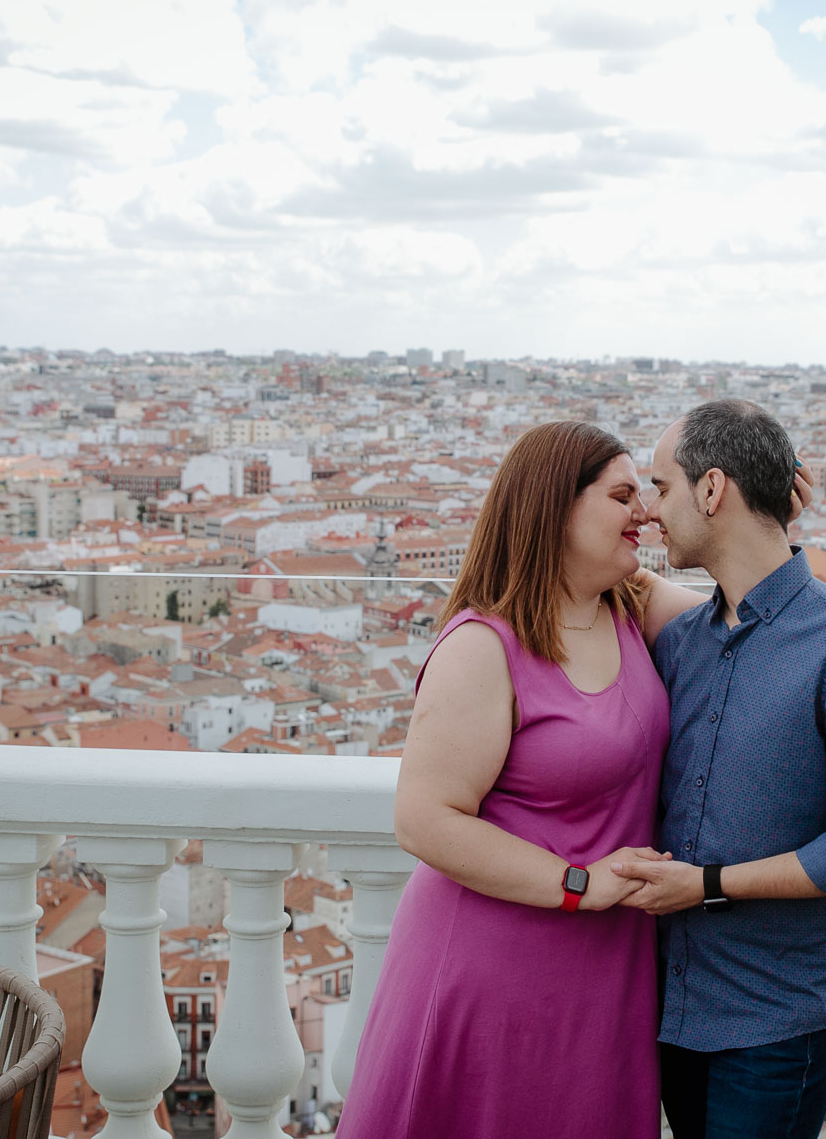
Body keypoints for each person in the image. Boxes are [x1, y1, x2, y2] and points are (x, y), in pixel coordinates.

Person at [335, 420, 672, 1139]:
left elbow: (756, 619)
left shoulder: (628, 608)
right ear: (556, 506)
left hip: (602, 979)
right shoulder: (484, 646)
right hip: (491, 974)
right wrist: (580, 883)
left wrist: (769, 517)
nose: (642, 512)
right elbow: (424, 818)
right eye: (621, 495)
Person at [614, 398, 826, 1139]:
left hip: (776, 1020)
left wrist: (707, 886)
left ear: (712, 490)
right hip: (673, 1012)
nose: (652, 512)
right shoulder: (683, 640)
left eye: (661, 487)